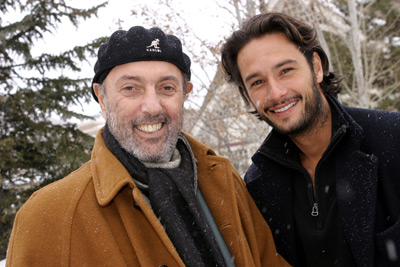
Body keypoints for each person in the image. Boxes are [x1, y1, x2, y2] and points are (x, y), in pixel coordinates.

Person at [6, 26, 290, 267]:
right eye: (131, 88)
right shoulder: (50, 216)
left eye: (167, 87)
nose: (152, 106)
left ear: (184, 95)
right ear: (102, 99)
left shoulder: (224, 180)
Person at [221, 12, 400, 267]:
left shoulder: (392, 139)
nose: (276, 93)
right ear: (247, 97)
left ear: (316, 67)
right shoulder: (257, 187)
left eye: (285, 70)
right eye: (258, 82)